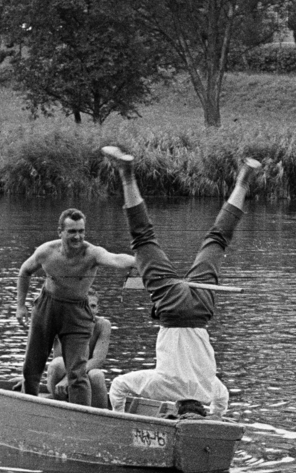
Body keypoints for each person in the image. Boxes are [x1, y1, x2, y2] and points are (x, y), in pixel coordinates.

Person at [100, 145, 261, 418]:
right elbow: (117, 387)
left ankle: (242, 182)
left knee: (218, 239)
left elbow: (221, 405)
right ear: (178, 410)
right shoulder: (162, 387)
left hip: (200, 305)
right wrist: (121, 419)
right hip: (173, 306)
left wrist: (214, 417)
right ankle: (126, 175)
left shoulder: (213, 389)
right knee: (143, 238)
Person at [16, 208, 136, 402]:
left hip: (77, 312)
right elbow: (25, 270)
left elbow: (114, 259)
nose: (78, 237)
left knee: (78, 374)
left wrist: (140, 262)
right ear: (60, 232)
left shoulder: (92, 254)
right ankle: (28, 405)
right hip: (47, 307)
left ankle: (82, 417)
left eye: (81, 231)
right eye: (72, 231)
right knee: (31, 368)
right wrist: (20, 306)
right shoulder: (47, 251)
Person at [44, 290, 112, 408]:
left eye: (93, 306)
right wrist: (28, 377)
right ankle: (60, 406)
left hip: (85, 374)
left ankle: (102, 417)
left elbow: (98, 360)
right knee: (57, 364)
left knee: (97, 375)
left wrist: (67, 379)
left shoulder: (103, 325)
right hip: (64, 373)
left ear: (97, 309)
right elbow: (58, 358)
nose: (89, 310)